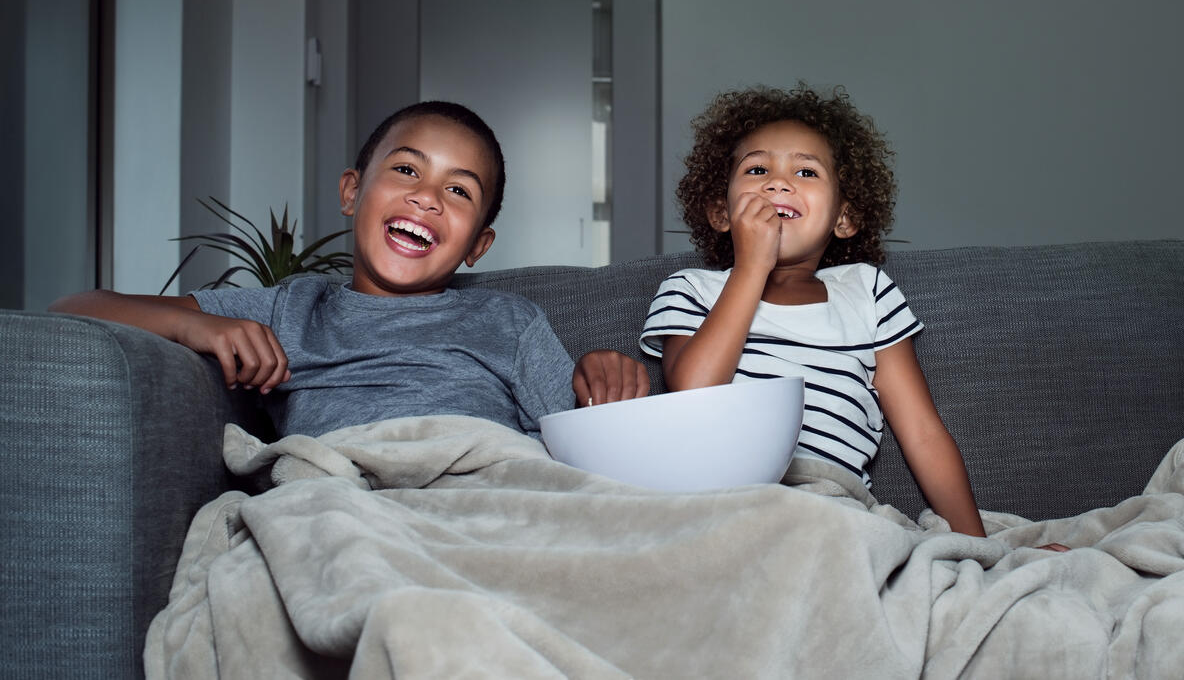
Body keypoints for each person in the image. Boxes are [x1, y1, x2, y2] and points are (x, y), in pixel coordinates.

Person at [50, 100, 647, 439]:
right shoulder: (292, 307)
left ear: (478, 246)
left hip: (479, 488)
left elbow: (585, 447)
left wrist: (603, 377)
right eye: (407, 171)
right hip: (341, 498)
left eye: (459, 191)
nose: (427, 198)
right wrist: (197, 325)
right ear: (351, 192)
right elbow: (76, 308)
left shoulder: (507, 320)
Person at [641, 85, 989, 536]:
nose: (778, 183)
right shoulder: (693, 290)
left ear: (843, 218)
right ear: (721, 212)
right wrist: (752, 266)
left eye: (806, 172)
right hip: (725, 501)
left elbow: (922, 433)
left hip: (834, 509)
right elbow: (693, 394)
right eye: (758, 168)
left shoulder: (866, 292)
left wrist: (981, 549)